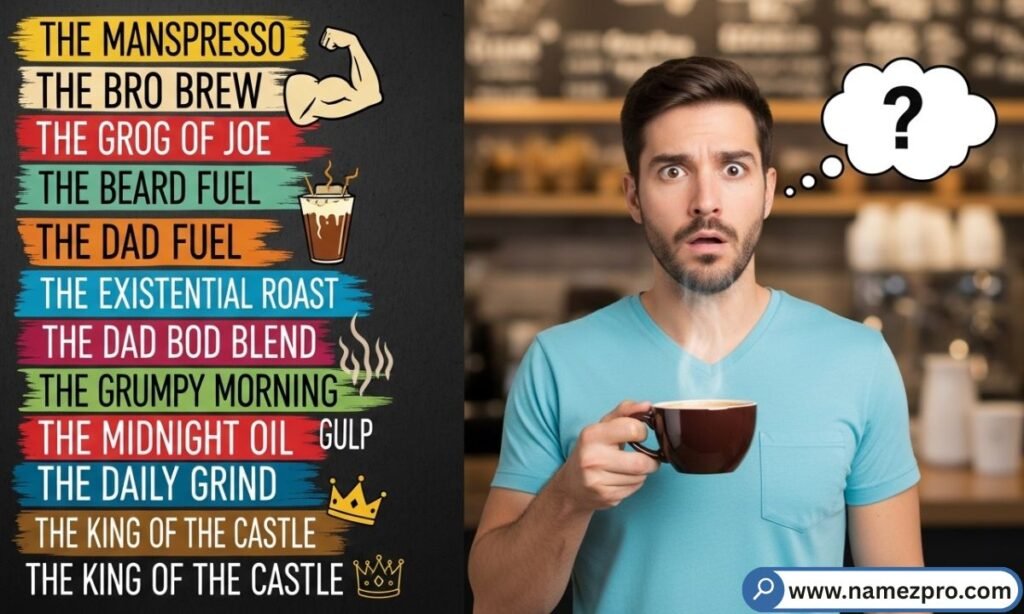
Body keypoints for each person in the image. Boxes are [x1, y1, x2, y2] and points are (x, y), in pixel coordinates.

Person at [468, 57, 923, 613]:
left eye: (733, 169)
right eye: (673, 171)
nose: (705, 201)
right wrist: (568, 497)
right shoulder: (558, 362)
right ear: (633, 197)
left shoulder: (859, 360)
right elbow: (496, 603)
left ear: (768, 191)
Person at [284, 27, 383, 126]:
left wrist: (353, 43)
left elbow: (369, 95)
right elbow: (370, 95)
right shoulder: (305, 97)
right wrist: (353, 43)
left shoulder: (301, 88)